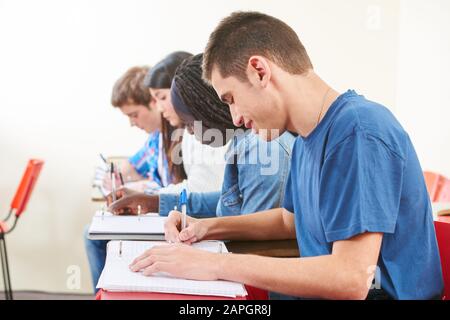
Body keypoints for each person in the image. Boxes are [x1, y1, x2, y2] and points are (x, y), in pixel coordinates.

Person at [128, 12, 444, 300]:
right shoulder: (307, 137)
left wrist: (215, 264)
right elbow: (288, 221)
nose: (235, 118)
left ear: (259, 71)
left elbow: (351, 278)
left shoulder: (358, 131)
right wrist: (206, 227)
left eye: (232, 99)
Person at [108, 53, 295, 220]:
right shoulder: (239, 142)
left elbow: (255, 230)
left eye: (190, 124)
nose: (189, 132)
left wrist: (204, 230)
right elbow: (227, 203)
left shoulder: (263, 147)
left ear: (208, 108)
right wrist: (153, 203)